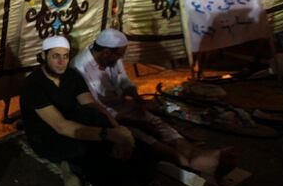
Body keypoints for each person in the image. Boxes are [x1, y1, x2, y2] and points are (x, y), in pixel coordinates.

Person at [20, 36, 182, 186]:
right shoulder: (33, 85)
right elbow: (61, 126)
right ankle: (72, 166)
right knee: (97, 158)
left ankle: (148, 184)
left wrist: (119, 132)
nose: (61, 62)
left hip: (74, 124)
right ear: (44, 56)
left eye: (65, 56)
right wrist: (107, 135)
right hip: (47, 134)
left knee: (139, 148)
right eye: (55, 56)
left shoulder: (71, 76)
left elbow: (92, 105)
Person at [71, 28, 236, 177]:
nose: (121, 58)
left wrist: (135, 96)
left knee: (156, 123)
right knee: (139, 133)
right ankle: (185, 162)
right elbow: (95, 106)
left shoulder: (111, 56)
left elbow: (124, 81)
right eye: (119, 55)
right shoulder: (80, 67)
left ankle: (194, 153)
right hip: (103, 115)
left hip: (122, 106)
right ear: (107, 52)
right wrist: (135, 122)